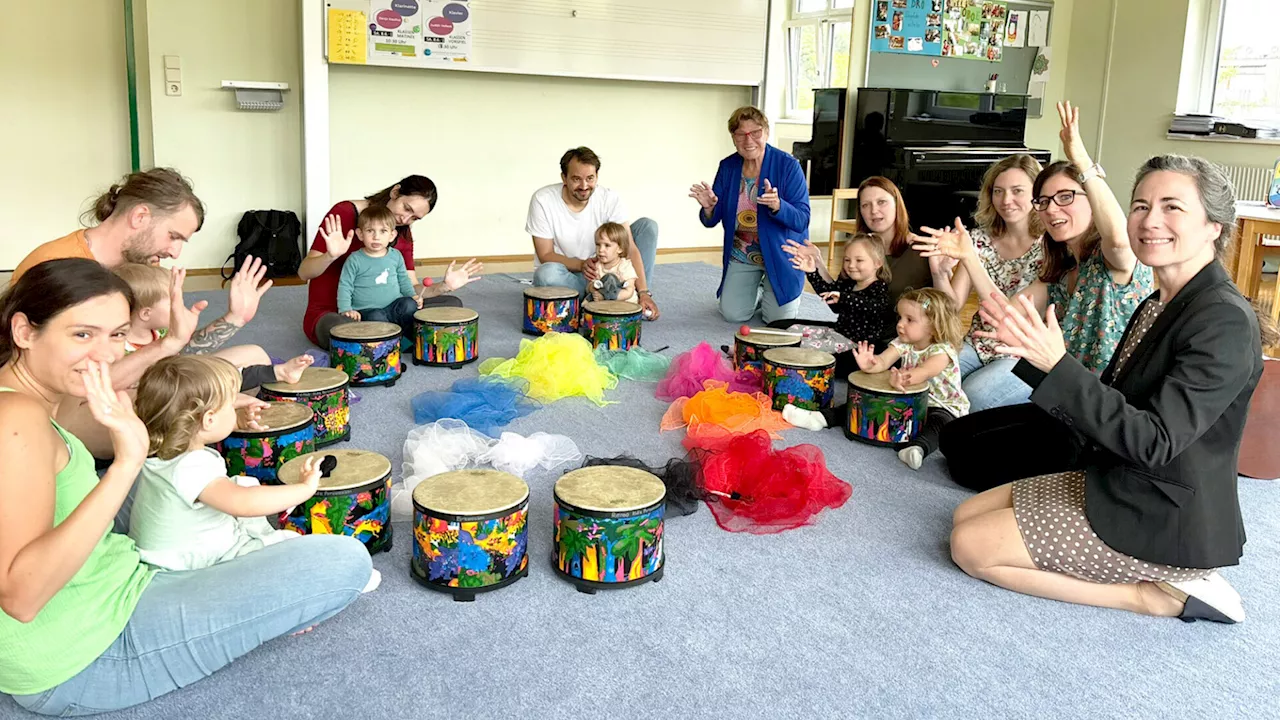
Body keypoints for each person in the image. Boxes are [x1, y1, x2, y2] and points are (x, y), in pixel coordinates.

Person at [0, 259, 373, 716]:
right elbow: (20, 596)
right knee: (344, 561)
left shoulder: (26, 398)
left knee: (167, 467)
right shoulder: (15, 421)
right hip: (82, 655)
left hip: (96, 590)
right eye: (82, 334)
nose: (107, 355)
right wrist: (126, 462)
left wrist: (198, 373)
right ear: (23, 330)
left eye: (117, 334)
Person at [948, 154, 1270, 624]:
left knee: (969, 547)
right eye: (1140, 206)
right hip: (1117, 478)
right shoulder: (1159, 302)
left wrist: (1055, 363)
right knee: (964, 515)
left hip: (1163, 511)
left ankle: (1156, 594)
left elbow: (1154, 441)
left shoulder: (1221, 319)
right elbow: (1115, 400)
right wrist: (1038, 358)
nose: (1149, 220)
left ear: (1213, 226)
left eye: (1171, 207)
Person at [920, 103, 1155, 491]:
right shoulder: (1061, 275)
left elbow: (1117, 236)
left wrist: (1082, 161)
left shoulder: (1113, 261)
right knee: (955, 443)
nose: (1052, 209)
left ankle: (1077, 472)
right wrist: (968, 257)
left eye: (1066, 197)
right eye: (1044, 202)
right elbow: (1003, 314)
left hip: (1105, 416)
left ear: (1089, 199)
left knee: (974, 434)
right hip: (1066, 402)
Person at [129, 356, 316, 571]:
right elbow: (244, 503)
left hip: (173, 554)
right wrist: (304, 489)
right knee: (290, 543)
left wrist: (235, 420)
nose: (236, 406)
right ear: (208, 420)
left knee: (244, 483)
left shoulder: (161, 452)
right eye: (230, 405)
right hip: (193, 566)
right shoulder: (192, 465)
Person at [783, 288, 968, 471]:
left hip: (942, 404)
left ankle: (917, 448)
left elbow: (925, 372)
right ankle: (820, 418)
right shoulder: (904, 342)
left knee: (939, 424)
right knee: (863, 404)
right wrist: (869, 364)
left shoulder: (942, 351)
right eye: (901, 318)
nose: (901, 324)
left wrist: (903, 379)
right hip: (907, 396)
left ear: (934, 326)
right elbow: (883, 361)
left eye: (910, 320)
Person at [298, 175, 483, 349]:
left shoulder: (402, 232)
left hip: (390, 309)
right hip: (341, 313)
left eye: (414, 218)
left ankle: (388, 337)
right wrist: (330, 256)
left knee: (452, 304)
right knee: (338, 330)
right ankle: (401, 337)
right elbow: (303, 273)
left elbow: (411, 289)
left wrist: (443, 286)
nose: (405, 219)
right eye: (407, 208)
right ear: (395, 192)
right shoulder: (345, 212)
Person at [926, 154, 1046, 412]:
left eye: (1017, 191)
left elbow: (1009, 315)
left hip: (1024, 354)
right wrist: (940, 273)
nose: (1006, 200)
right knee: (927, 374)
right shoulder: (979, 239)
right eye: (999, 191)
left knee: (974, 396)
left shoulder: (1050, 247)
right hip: (978, 344)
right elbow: (953, 305)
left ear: (1037, 195)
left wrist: (969, 257)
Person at [691, 106, 810, 324]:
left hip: (781, 254)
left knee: (777, 321)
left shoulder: (788, 165)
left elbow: (802, 218)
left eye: (755, 133)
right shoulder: (728, 166)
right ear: (733, 138)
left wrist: (778, 205)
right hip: (743, 251)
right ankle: (754, 292)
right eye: (740, 134)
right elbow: (713, 219)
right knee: (732, 314)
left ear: (766, 132)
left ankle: (776, 290)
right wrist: (709, 208)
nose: (748, 141)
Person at [114, 263, 311, 394]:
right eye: (174, 301)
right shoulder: (117, 348)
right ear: (146, 313)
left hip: (182, 378)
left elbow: (185, 356)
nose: (181, 306)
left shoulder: (159, 331)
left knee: (254, 354)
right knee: (203, 379)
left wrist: (235, 318)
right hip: (161, 399)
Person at [783, 176, 929, 339]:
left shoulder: (921, 248)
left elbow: (945, 308)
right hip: (847, 333)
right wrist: (816, 266)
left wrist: (944, 270)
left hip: (885, 343)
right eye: (866, 205)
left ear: (897, 203)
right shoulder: (859, 247)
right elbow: (837, 301)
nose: (874, 211)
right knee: (782, 328)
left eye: (881, 202)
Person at [529, 147, 661, 319]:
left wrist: (644, 292)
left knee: (647, 227)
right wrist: (581, 265)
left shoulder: (609, 198)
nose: (584, 186)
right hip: (573, 274)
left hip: (613, 271)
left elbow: (630, 248)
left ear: (597, 177)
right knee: (545, 275)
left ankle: (634, 300)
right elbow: (545, 254)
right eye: (576, 179)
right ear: (564, 178)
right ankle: (597, 300)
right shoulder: (543, 200)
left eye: (590, 178)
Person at [784, 233, 894, 376]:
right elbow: (832, 301)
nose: (851, 265)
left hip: (852, 342)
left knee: (804, 346)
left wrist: (843, 297)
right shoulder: (849, 283)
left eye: (859, 260)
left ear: (877, 263)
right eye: (847, 260)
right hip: (836, 332)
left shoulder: (879, 287)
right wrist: (812, 273)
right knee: (793, 330)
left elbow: (873, 306)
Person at [337, 205, 423, 339]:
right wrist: (346, 309)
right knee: (376, 317)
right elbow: (345, 286)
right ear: (360, 234)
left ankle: (407, 339)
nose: (376, 237)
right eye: (370, 231)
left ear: (392, 235)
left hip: (394, 305)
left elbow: (403, 280)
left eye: (383, 231)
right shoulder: (354, 259)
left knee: (409, 305)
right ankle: (390, 343)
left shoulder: (396, 256)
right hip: (368, 310)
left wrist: (412, 295)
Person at [588, 222, 638, 303]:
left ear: (620, 248)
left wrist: (606, 297)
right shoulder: (597, 266)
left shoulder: (625, 266)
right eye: (598, 245)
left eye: (607, 245)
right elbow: (590, 286)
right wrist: (593, 288)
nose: (600, 249)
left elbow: (629, 291)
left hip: (625, 305)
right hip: (604, 305)